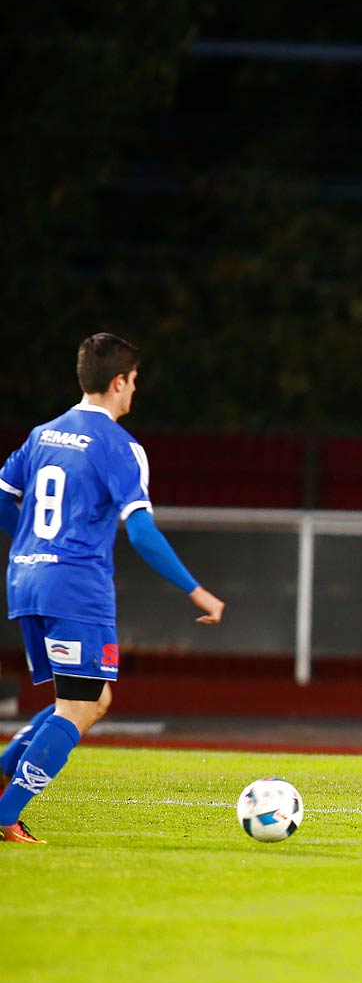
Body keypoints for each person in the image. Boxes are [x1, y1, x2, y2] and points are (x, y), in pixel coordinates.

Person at [0, 333, 225, 844]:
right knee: (79, 706)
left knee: (91, 698)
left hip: (28, 580)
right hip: (76, 588)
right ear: (118, 381)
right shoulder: (120, 447)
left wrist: (33, 543)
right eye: (134, 382)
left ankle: (7, 768)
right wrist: (196, 591)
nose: (135, 393)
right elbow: (141, 531)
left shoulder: (43, 434)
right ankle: (6, 813)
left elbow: (1, 497)